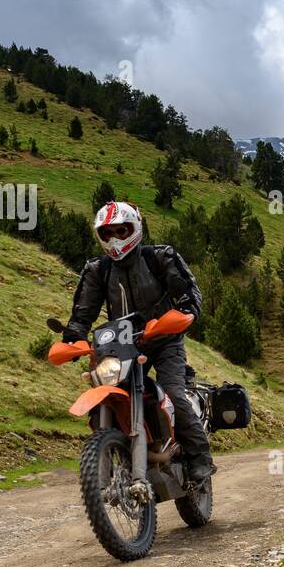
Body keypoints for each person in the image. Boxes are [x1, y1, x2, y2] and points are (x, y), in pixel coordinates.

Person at [63, 201, 213, 484]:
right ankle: (119, 453)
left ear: (136, 228)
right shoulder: (98, 270)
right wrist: (73, 338)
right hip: (122, 347)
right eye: (107, 233)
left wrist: (186, 312)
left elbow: (187, 292)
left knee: (174, 394)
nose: (115, 238)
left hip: (164, 338)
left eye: (122, 230)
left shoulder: (159, 257)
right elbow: (82, 313)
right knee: (107, 394)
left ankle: (199, 458)